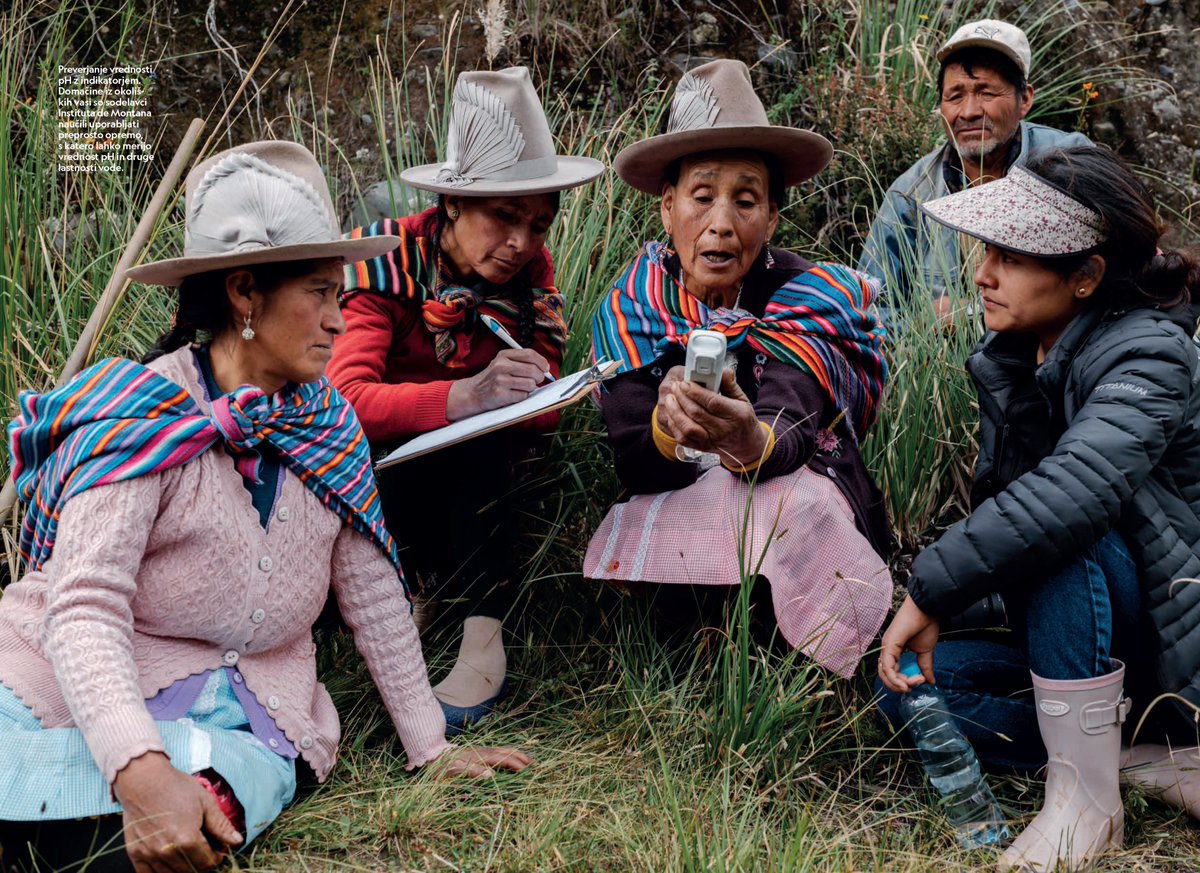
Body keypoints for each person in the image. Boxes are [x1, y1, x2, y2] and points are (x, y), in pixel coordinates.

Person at [0, 141, 530, 873]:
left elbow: (374, 595)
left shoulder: (329, 426)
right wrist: (140, 766)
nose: (338, 323)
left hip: (243, 713)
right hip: (68, 678)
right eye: (319, 293)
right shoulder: (143, 414)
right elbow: (83, 607)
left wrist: (431, 745)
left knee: (152, 849)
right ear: (245, 293)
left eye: (339, 297)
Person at [875, 145, 1200, 871]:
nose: (982, 273)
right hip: (1088, 649)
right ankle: (1143, 756)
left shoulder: (1151, 352)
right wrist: (929, 606)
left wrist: (934, 583)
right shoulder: (1025, 353)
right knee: (911, 691)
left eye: (1011, 257)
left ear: (1085, 276)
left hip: (1169, 651)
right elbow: (1012, 525)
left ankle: (1085, 799)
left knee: (1063, 533)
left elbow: (1066, 498)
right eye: (986, 250)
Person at [584, 59, 893, 677]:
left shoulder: (810, 295)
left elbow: (793, 412)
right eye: (702, 197)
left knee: (789, 499)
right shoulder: (633, 307)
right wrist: (671, 429)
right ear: (667, 210)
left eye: (746, 200)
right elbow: (632, 455)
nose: (721, 222)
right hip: (683, 498)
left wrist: (746, 436)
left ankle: (820, 660)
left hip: (798, 487)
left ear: (772, 218)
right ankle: (690, 653)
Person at [327, 67, 603, 731]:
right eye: (504, 217)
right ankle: (407, 595)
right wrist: (463, 395)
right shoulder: (385, 259)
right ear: (451, 201)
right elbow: (343, 401)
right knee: (469, 433)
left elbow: (545, 405)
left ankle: (484, 636)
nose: (521, 244)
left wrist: (510, 397)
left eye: (539, 224)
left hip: (479, 482)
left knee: (485, 446)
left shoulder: (532, 274)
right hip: (368, 481)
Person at [858, 19, 1091, 319]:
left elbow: (1113, 271)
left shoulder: (1070, 161)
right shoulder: (910, 194)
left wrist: (965, 315)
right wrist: (923, 329)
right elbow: (868, 311)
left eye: (987, 93)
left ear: (1025, 100)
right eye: (955, 96)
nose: (968, 112)